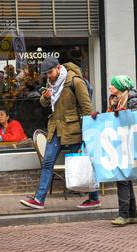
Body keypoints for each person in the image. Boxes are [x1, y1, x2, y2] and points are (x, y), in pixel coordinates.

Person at [19, 57, 100, 210]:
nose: (48, 76)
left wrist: (87, 132)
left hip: (73, 129)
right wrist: (45, 97)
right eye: (46, 74)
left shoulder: (75, 81)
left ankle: (94, 198)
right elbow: (44, 104)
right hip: (55, 128)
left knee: (82, 163)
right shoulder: (51, 84)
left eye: (50, 72)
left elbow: (87, 108)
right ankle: (39, 199)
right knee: (48, 162)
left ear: (59, 67)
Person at [91, 75, 137, 226]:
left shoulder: (132, 100)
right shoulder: (114, 99)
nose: (110, 87)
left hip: (128, 144)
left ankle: (123, 215)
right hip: (119, 143)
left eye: (113, 85)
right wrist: (99, 118)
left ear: (121, 86)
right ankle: (132, 214)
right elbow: (111, 118)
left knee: (122, 177)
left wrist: (125, 116)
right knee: (125, 178)